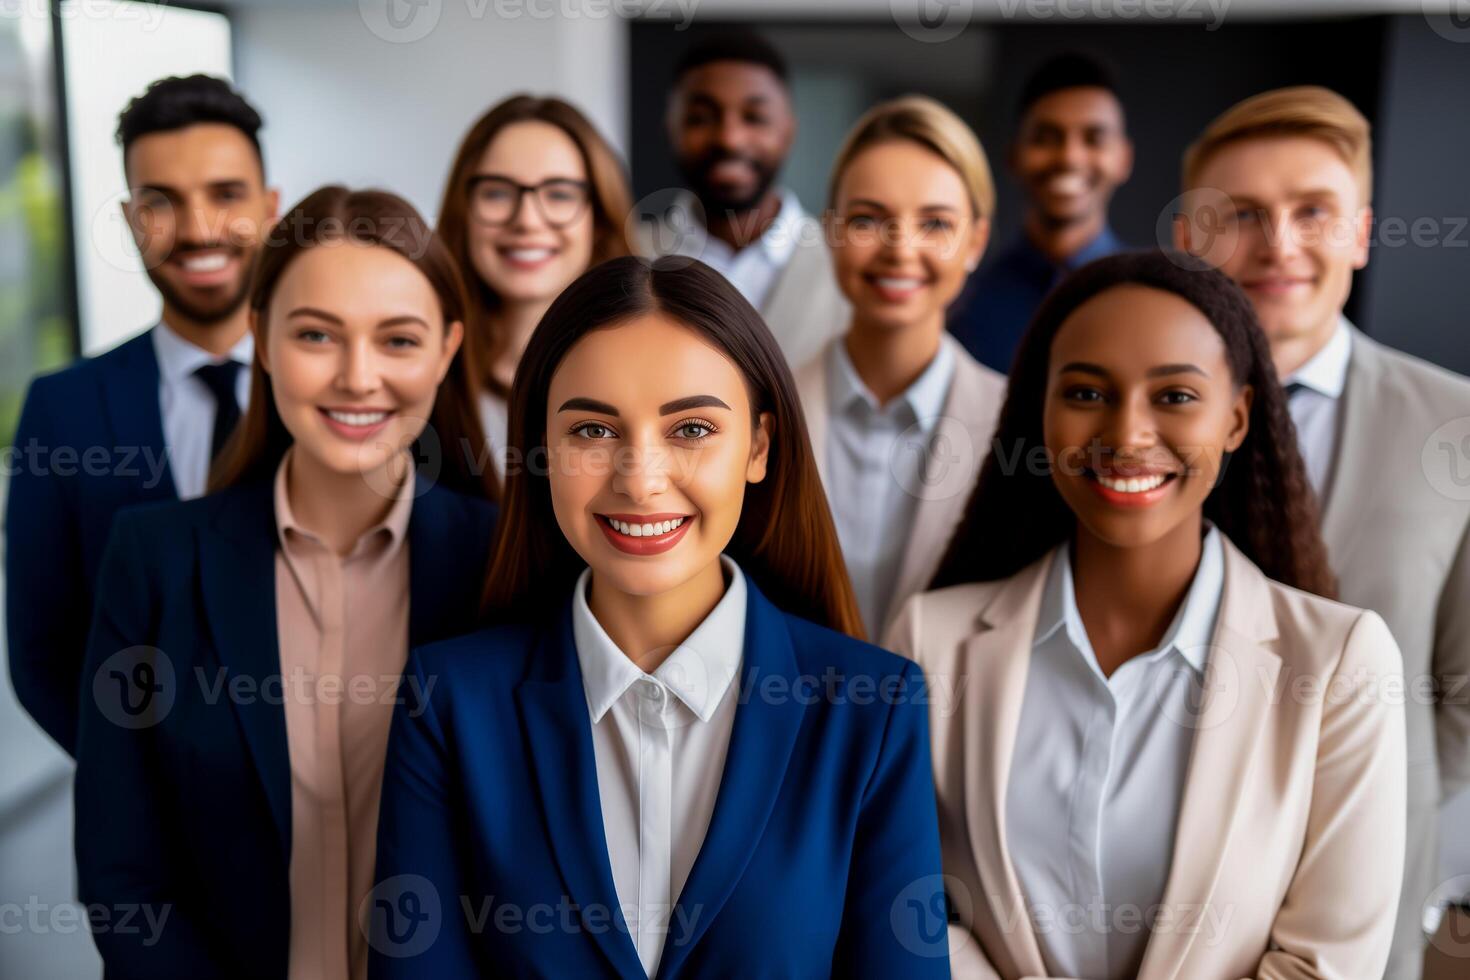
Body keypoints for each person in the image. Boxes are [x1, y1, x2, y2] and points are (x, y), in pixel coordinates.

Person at [367, 256, 948, 977]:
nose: (640, 480)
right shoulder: (447, 701)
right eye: (593, 432)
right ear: (542, 448)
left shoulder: (873, 709)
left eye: (693, 429)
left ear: (760, 446)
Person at [889, 251, 1405, 979]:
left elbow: (1326, 964)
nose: (1127, 434)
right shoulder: (928, 641)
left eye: (1175, 397)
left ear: (1237, 418)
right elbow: (916, 914)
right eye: (1086, 392)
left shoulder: (1340, 663)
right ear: (1040, 410)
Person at [74, 187, 499, 980]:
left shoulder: (502, 565)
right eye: (316, 335)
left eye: (398, 340)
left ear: (446, 350)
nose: (357, 377)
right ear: (261, 340)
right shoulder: (155, 561)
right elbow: (124, 875)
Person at [1175, 85, 1470, 980]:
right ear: (1188, 236)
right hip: (1156, 887)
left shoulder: (1455, 424)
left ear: (1362, 232)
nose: (1280, 244)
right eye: (1242, 215)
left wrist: (1387, 808)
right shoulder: (1129, 423)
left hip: (1369, 901)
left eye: (1314, 212)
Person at [6, 74, 278, 755]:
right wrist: (134, 790)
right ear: (132, 219)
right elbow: (42, 653)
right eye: (163, 201)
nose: (197, 229)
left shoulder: (347, 395)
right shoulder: (61, 410)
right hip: (147, 838)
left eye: (225, 194)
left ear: (272, 208)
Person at [797, 95, 1006, 639]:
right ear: (831, 230)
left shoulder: (1020, 424)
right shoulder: (759, 409)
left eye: (935, 223)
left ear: (976, 241)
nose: (900, 248)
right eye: (868, 219)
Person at [436, 94, 632, 482]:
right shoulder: (423, 370)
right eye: (497, 192)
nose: (526, 220)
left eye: (559, 194)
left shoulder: (649, 365)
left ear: (599, 219)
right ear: (464, 212)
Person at [637, 30, 848, 367]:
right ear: (671, 128)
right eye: (702, 118)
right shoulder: (625, 252)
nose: (729, 139)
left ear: (788, 130)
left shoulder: (844, 263)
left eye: (754, 118)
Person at [948, 52, 1131, 373]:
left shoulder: (1151, 299)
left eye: (1093, 138)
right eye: (1046, 138)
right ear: (1013, 156)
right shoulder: (960, 300)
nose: (1069, 157)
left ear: (1123, 159)